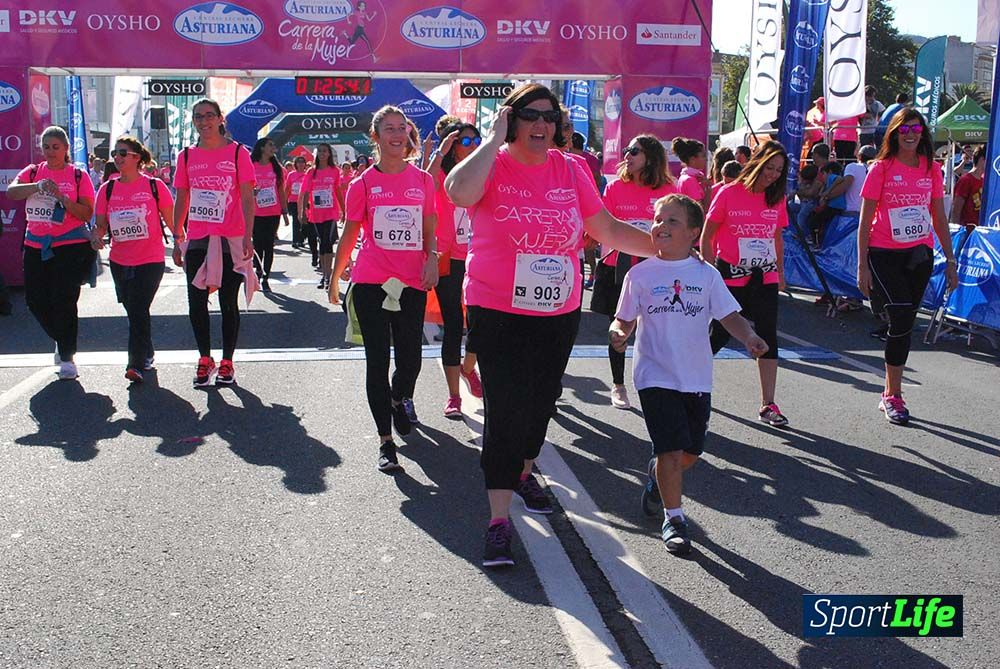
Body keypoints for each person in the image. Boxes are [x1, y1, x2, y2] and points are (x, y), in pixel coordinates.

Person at [444, 83, 655, 568]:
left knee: (540, 403)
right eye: (530, 115)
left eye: (549, 116)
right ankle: (499, 521)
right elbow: (458, 192)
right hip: (496, 307)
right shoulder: (491, 163)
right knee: (504, 410)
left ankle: (523, 470)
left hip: (557, 310)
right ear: (512, 120)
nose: (541, 124)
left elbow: (606, 229)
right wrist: (492, 139)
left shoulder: (572, 168)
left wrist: (667, 248)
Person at [611, 194, 768, 555]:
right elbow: (624, 317)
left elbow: (728, 315)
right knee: (669, 450)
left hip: (696, 376)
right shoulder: (640, 274)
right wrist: (618, 333)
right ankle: (675, 518)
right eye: (657, 219)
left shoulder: (706, 274)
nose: (660, 227)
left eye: (672, 222)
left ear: (693, 233)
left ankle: (656, 479)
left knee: (690, 454)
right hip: (654, 375)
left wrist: (749, 336)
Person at [329, 105, 439, 470]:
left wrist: (432, 257)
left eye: (401, 129)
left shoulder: (423, 180)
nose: (396, 135)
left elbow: (429, 224)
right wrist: (335, 275)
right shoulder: (362, 183)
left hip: (411, 281)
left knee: (411, 360)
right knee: (376, 361)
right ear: (375, 137)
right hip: (372, 280)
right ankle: (385, 441)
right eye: (388, 129)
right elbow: (350, 232)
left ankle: (398, 398)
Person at [858, 109, 958, 425]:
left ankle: (889, 389)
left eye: (916, 128)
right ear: (895, 133)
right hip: (884, 252)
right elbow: (864, 221)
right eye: (905, 129)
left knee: (904, 323)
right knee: (900, 314)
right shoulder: (881, 169)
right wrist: (862, 266)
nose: (911, 134)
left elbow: (939, 217)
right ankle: (894, 396)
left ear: (923, 133)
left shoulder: (932, 169)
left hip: (919, 253)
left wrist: (951, 260)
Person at [702, 140, 791, 427]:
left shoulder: (776, 198)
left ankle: (768, 403)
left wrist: (780, 272)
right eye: (770, 167)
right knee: (720, 335)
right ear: (758, 162)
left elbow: (776, 236)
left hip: (764, 274)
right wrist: (707, 273)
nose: (773, 174)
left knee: (768, 336)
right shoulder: (729, 193)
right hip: (730, 273)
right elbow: (707, 235)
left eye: (779, 170)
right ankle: (691, 382)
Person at [173, 98, 258, 387]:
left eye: (209, 115)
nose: (204, 121)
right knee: (196, 301)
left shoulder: (237, 154)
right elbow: (182, 197)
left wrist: (248, 235)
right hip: (198, 237)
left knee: (227, 302)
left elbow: (248, 197)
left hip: (230, 238)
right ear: (193, 121)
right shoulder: (185, 156)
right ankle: (204, 359)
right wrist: (176, 237)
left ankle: (227, 362)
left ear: (220, 118)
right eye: (198, 116)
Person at [592, 134, 677, 410]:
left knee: (652, 328)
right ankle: (618, 385)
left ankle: (653, 384)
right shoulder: (615, 188)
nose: (627, 155)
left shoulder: (667, 190)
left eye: (634, 151)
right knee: (618, 328)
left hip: (656, 270)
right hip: (618, 267)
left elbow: (676, 229)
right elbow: (605, 225)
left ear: (650, 158)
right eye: (627, 150)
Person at [7, 126, 96, 380]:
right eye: (46, 147)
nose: (50, 152)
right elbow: (12, 192)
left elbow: (86, 213)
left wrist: (62, 198)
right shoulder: (34, 172)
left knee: (64, 300)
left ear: (66, 149)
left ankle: (67, 356)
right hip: (35, 244)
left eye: (55, 147)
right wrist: (36, 186)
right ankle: (61, 337)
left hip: (68, 246)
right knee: (35, 301)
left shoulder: (78, 176)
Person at [90, 136, 179, 383]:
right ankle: (147, 352)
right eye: (115, 154)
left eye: (122, 153)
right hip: (120, 260)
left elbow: (172, 221)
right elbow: (100, 226)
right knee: (134, 311)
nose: (117, 158)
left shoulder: (154, 187)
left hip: (150, 260)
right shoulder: (106, 189)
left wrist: (181, 244)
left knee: (138, 308)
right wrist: (95, 237)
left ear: (136, 158)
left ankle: (135, 364)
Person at [425, 119, 485, 417]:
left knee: (479, 324)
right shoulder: (443, 174)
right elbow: (424, 183)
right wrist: (439, 151)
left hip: (483, 256)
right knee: (452, 326)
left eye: (476, 141)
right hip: (450, 257)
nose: (472, 146)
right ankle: (453, 396)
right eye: (465, 142)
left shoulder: (488, 171)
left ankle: (468, 367)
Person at [298, 143, 345, 288]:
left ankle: (328, 276)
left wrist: (344, 209)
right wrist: (302, 213)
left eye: (325, 151)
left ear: (329, 154)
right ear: (316, 154)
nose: (322, 154)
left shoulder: (335, 171)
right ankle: (324, 275)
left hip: (330, 212)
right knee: (321, 242)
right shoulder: (311, 172)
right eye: (320, 151)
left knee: (327, 242)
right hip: (316, 213)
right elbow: (305, 192)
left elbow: (337, 190)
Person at [250, 138, 290, 292]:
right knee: (258, 244)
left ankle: (265, 276)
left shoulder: (277, 168)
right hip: (255, 212)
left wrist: (285, 212)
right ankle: (258, 272)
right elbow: (243, 188)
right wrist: (252, 192)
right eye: (270, 145)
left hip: (273, 212)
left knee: (269, 244)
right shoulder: (251, 166)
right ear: (262, 148)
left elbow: (280, 190)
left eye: (274, 145)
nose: (274, 148)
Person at [808, 161, 846, 247]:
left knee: (814, 220)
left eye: (823, 174)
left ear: (829, 172)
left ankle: (816, 242)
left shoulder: (831, 177)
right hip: (833, 207)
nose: (822, 177)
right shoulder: (827, 182)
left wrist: (828, 191)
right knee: (818, 219)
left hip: (835, 207)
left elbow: (840, 178)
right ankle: (816, 239)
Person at [951, 145, 987, 229]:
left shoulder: (983, 181)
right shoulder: (965, 180)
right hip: (967, 233)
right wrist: (956, 232)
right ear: (982, 160)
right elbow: (956, 210)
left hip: (979, 232)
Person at [673, 137, 712, 212]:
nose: (706, 159)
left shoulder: (688, 177)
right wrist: (708, 191)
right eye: (703, 156)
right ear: (692, 159)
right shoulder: (690, 180)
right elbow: (700, 211)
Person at [843, 145, 877, 216]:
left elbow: (845, 185)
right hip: (871, 214)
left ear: (859, 156)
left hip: (852, 212)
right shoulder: (877, 170)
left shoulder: (852, 166)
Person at [286, 156, 308, 249]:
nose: (300, 164)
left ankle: (302, 239)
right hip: (293, 201)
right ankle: (295, 240)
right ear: (295, 164)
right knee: (295, 221)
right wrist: (284, 201)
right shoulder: (291, 175)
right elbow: (287, 188)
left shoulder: (307, 174)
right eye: (298, 162)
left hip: (305, 202)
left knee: (304, 221)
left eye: (302, 162)